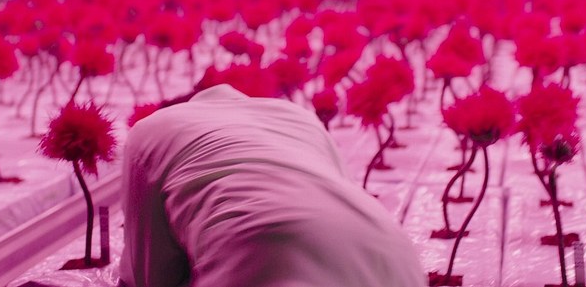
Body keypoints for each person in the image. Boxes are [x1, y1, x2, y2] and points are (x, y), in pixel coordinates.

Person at [118, 83, 426, 287]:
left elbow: (148, 276)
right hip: (393, 252)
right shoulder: (297, 115)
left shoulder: (149, 129)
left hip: (268, 258)